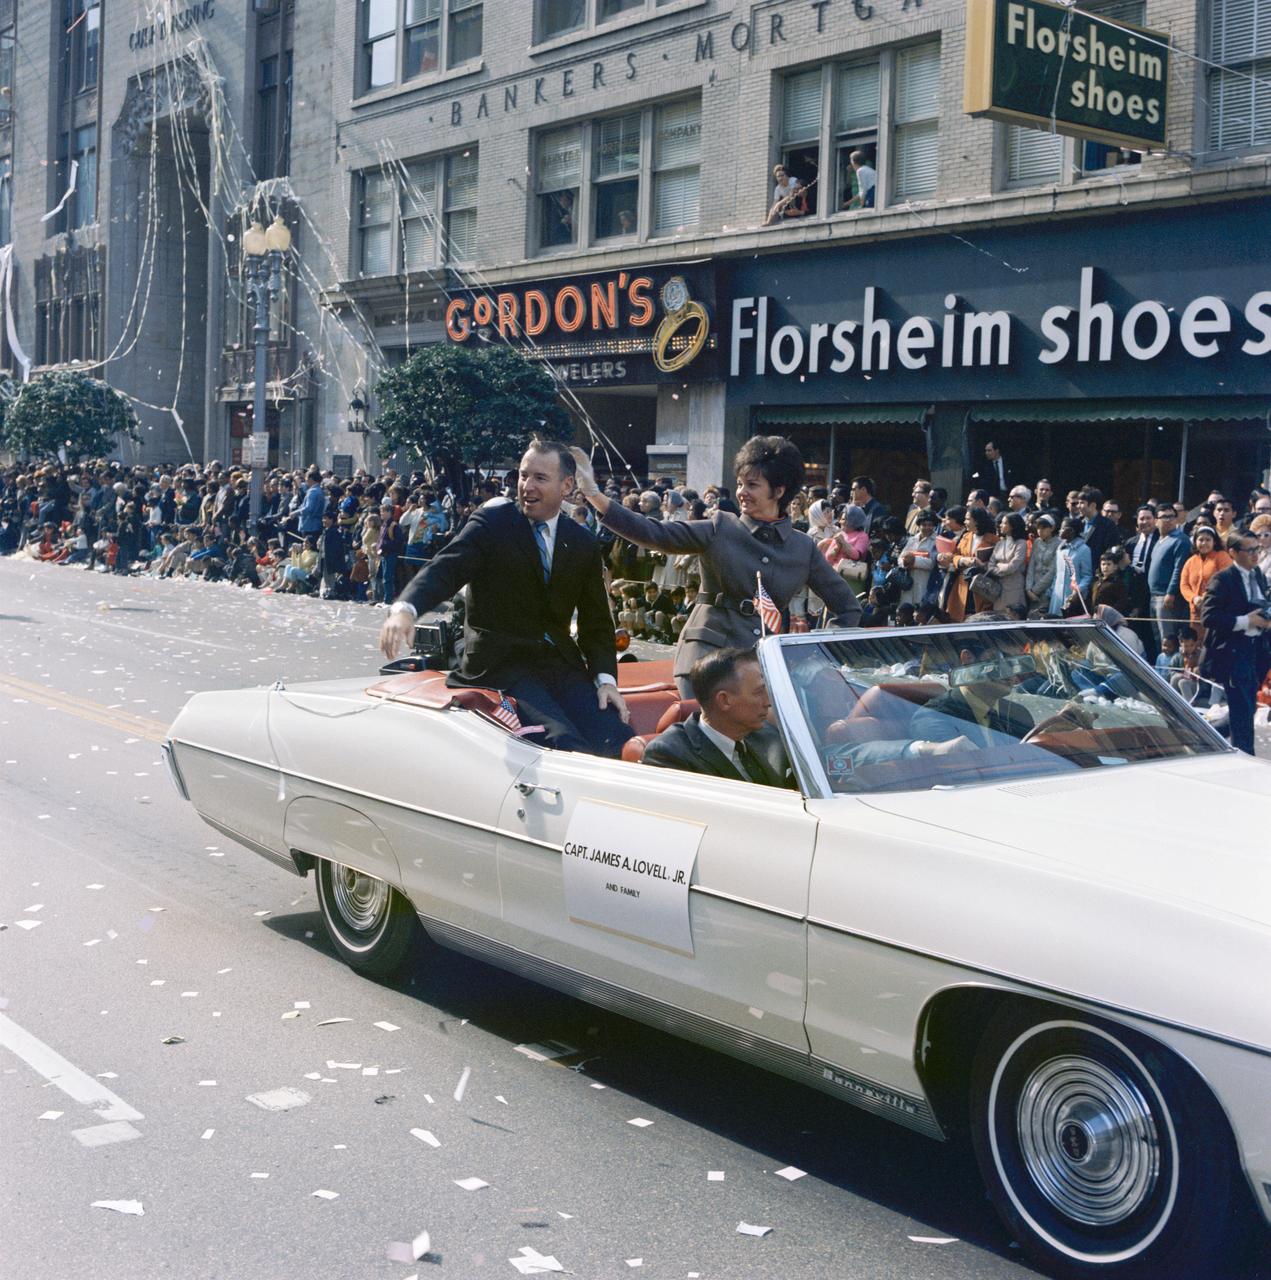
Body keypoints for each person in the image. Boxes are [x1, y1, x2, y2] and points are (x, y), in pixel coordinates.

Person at [380, 440, 632, 757]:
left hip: (558, 665)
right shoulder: (492, 525)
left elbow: (596, 623)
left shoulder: (581, 541)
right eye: (523, 476)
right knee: (563, 744)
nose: (527, 486)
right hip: (500, 664)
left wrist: (606, 680)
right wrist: (405, 610)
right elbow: (446, 569)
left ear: (566, 486)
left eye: (540, 478)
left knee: (618, 738)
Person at [570, 436, 862, 697]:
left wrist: (811, 654)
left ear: (779, 491)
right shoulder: (720, 526)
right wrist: (595, 494)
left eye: (752, 485)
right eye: (739, 483)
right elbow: (655, 533)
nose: (741, 492)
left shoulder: (803, 547)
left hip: (761, 670)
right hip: (704, 661)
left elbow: (847, 608)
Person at [642, 648, 793, 788]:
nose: (768, 702)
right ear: (724, 700)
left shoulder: (770, 737)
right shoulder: (669, 754)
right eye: (759, 692)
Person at [1199, 532, 1271, 755]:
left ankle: (1217, 739)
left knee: (1246, 707)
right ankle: (1245, 755)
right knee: (1242, 709)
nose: (1255, 555)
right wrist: (1246, 621)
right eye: (1250, 550)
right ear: (1233, 552)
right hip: (1233, 652)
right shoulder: (1223, 579)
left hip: (1257, 650)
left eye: (1257, 549)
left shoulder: (1257, 573)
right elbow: (1209, 617)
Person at [1146, 503, 1191, 650]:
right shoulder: (1159, 540)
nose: (1169, 520)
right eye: (1165, 517)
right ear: (1156, 520)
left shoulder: (1181, 540)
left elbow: (1179, 568)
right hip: (1154, 595)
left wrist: (1171, 592)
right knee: (1157, 638)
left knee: (1168, 640)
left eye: (1172, 516)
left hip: (1167, 596)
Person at [1179, 526, 1231, 643]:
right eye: (1201, 540)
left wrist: (1206, 598)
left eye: (1208, 540)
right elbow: (1184, 585)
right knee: (1197, 645)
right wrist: (1194, 598)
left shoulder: (1222, 556)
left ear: (1214, 541)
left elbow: (1225, 580)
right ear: (1195, 541)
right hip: (1196, 613)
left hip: (1217, 609)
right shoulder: (1191, 561)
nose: (1204, 543)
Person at [984, 512, 1027, 616]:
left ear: (1013, 526)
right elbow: (990, 564)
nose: (1000, 525)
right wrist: (1001, 569)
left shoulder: (1021, 543)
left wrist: (999, 566)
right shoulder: (1000, 543)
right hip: (998, 587)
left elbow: (1012, 567)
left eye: (1004, 523)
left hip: (1013, 587)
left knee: (1011, 617)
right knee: (998, 617)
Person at [1049, 518, 1092, 616]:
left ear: (1071, 531)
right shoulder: (1060, 549)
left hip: (1073, 597)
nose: (1060, 531)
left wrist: (1077, 591)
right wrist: (1051, 591)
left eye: (1063, 528)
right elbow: (1057, 574)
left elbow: (1087, 575)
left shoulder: (1084, 549)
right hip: (1057, 597)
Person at [1024, 513, 1059, 610]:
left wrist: (1035, 590)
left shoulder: (1058, 544)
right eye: (1038, 528)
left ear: (1052, 528)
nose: (1039, 531)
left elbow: (1052, 571)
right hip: (1032, 588)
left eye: (1043, 528)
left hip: (1047, 589)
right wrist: (1028, 589)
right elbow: (1031, 566)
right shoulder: (1037, 542)